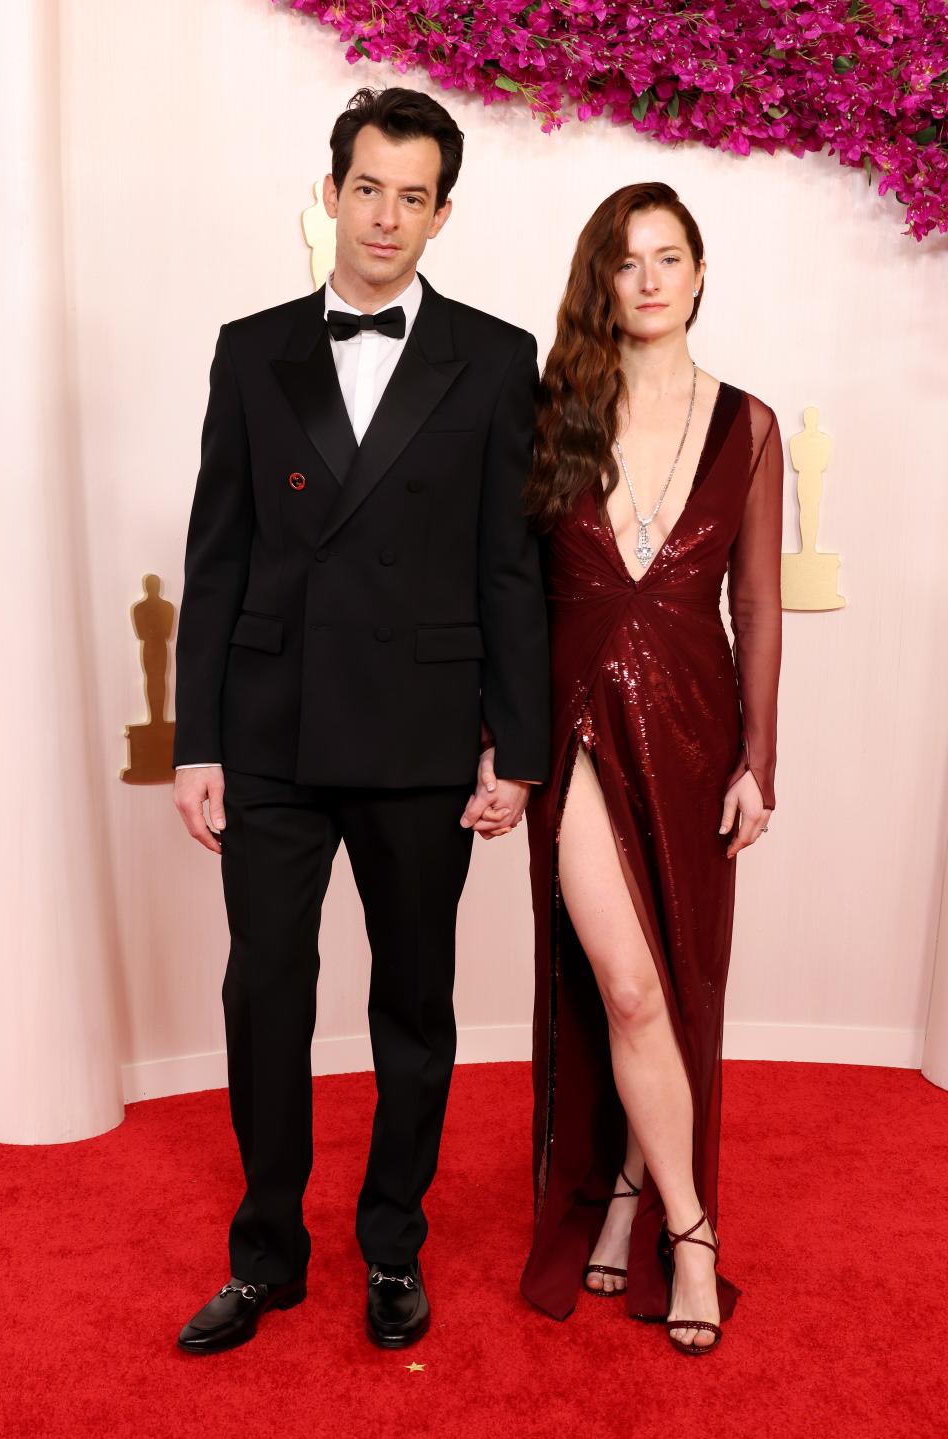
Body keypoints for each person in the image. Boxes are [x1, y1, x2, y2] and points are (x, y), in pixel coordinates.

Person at [172, 86, 549, 1354]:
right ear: (330, 191)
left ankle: (394, 1245)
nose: (386, 217)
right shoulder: (249, 347)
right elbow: (215, 557)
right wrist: (197, 741)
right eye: (368, 187)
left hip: (423, 733)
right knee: (264, 995)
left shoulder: (496, 360)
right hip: (270, 732)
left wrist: (519, 743)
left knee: (416, 1004)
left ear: (443, 214)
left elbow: (511, 565)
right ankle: (267, 1251)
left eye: (414, 196)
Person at [519, 183, 783, 1354]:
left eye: (669, 257)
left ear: (701, 270)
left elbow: (760, 608)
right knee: (624, 983)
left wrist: (758, 760)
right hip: (570, 720)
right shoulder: (552, 412)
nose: (650, 280)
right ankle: (694, 1231)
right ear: (602, 281)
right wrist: (500, 736)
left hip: (692, 730)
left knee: (673, 980)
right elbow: (511, 588)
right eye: (627, 263)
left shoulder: (751, 424)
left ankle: (629, 1187)